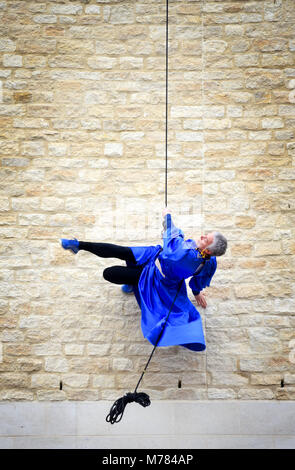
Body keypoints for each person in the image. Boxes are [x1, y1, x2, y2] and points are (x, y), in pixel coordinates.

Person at [61, 209, 227, 352]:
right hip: (153, 255)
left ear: (209, 251)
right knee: (123, 251)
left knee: (109, 273)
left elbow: (173, 243)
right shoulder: (208, 261)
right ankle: (78, 245)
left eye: (206, 239)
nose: (202, 236)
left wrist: (168, 217)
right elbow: (197, 280)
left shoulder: (187, 257)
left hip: (156, 279)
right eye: (206, 234)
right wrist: (197, 292)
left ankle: (135, 284)